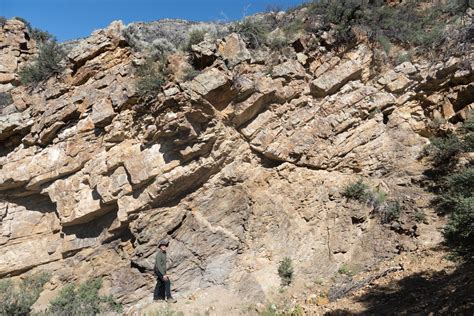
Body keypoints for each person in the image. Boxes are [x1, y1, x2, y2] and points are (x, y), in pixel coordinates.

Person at [153, 239, 177, 303]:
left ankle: (156, 298)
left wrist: (165, 273)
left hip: (161, 270)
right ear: (160, 247)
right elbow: (159, 265)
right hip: (158, 270)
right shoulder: (159, 254)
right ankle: (169, 298)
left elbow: (163, 265)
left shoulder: (164, 253)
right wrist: (163, 274)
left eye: (165, 245)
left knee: (159, 283)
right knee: (167, 281)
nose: (164, 247)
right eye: (163, 245)